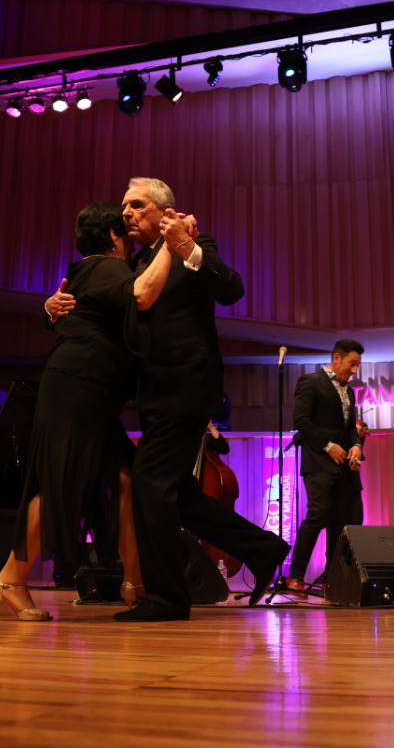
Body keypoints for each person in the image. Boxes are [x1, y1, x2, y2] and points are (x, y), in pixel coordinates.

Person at [109, 177, 289, 622]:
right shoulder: (140, 260)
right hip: (155, 392)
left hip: (187, 386)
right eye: (124, 207)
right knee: (177, 492)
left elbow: (231, 288)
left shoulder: (193, 241)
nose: (127, 213)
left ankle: (167, 597)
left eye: (137, 205)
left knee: (150, 485)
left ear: (165, 209)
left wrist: (187, 246)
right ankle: (264, 549)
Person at [0, 201, 177, 621]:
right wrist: (170, 242)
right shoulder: (109, 268)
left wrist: (47, 309)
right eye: (123, 232)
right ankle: (10, 578)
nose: (129, 238)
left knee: (126, 479)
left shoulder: (82, 270)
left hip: (84, 389)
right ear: (112, 237)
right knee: (60, 483)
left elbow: (70, 312)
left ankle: (136, 583)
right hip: (81, 387)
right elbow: (141, 295)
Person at [285, 340, 366, 599]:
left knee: (342, 521)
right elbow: (301, 421)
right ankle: (295, 575)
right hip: (319, 463)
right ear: (337, 357)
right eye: (351, 363)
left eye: (357, 365)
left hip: (345, 466)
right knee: (317, 515)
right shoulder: (311, 382)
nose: (354, 370)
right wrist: (329, 445)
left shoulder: (349, 392)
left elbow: (351, 427)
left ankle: (332, 578)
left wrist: (356, 445)